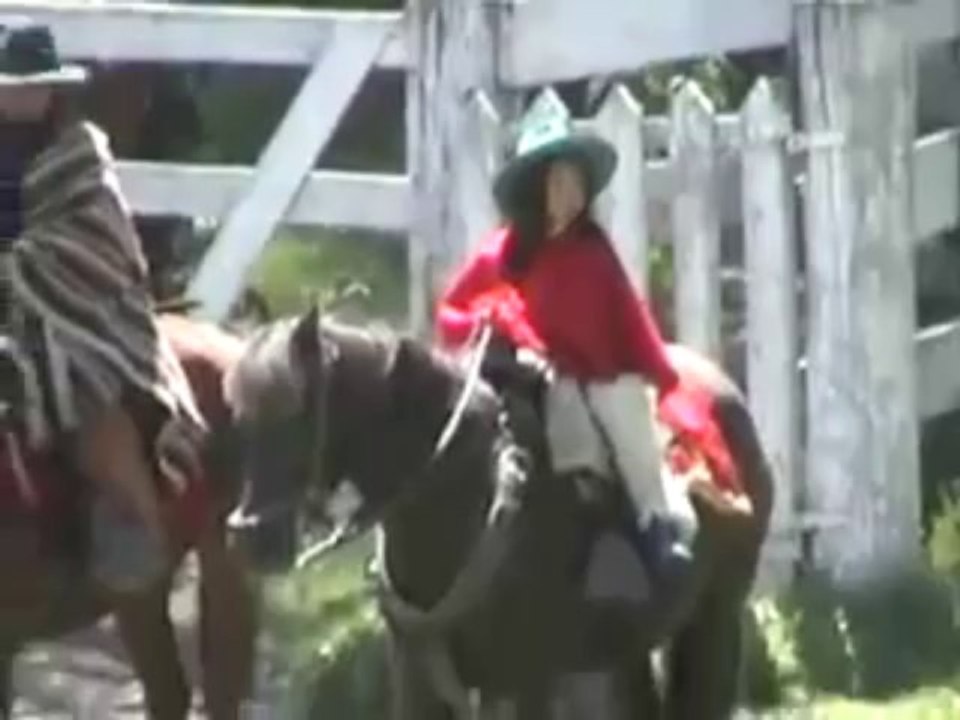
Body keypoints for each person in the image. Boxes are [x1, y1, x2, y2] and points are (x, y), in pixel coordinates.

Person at [435, 94, 714, 597]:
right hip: (525, 373)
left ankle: (655, 524)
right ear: (536, 188)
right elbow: (454, 310)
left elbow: (629, 321)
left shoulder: (593, 253)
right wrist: (491, 323)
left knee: (624, 404)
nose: (570, 193)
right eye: (559, 181)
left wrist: (652, 373)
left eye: (577, 181)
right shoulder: (500, 254)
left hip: (598, 374)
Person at [0, 18, 205, 595]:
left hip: (78, 311)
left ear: (52, 91)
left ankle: (130, 516)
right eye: (12, 85)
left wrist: (19, 268)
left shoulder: (78, 153)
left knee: (87, 390)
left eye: (32, 85)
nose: (21, 96)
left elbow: (94, 241)